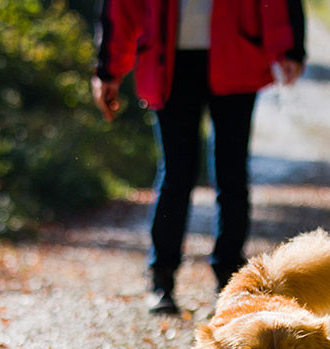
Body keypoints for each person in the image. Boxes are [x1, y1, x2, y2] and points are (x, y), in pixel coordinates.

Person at [92, 0, 306, 314]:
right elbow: (122, 7)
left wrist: (288, 50)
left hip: (237, 54)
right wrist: (108, 70)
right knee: (176, 174)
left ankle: (231, 281)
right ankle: (161, 279)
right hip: (169, 61)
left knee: (231, 174)